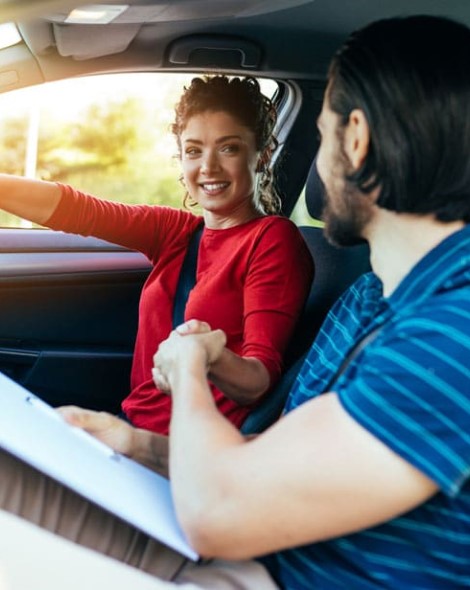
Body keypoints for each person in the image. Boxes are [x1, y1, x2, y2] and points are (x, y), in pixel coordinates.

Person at [1, 12, 470, 590]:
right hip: (238, 530)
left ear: (354, 139)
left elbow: (221, 511)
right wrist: (135, 443)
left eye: (320, 134)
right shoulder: (370, 297)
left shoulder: (451, 335)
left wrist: (191, 366)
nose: (318, 166)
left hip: (247, 560)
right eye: (193, 150)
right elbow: (279, 462)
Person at [0, 75, 314, 435]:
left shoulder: (271, 240)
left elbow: (258, 381)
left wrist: (204, 353)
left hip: (181, 449)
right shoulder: (177, 232)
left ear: (263, 153)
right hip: (131, 427)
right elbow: (79, 210)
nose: (208, 167)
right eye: (193, 151)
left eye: (228, 148)